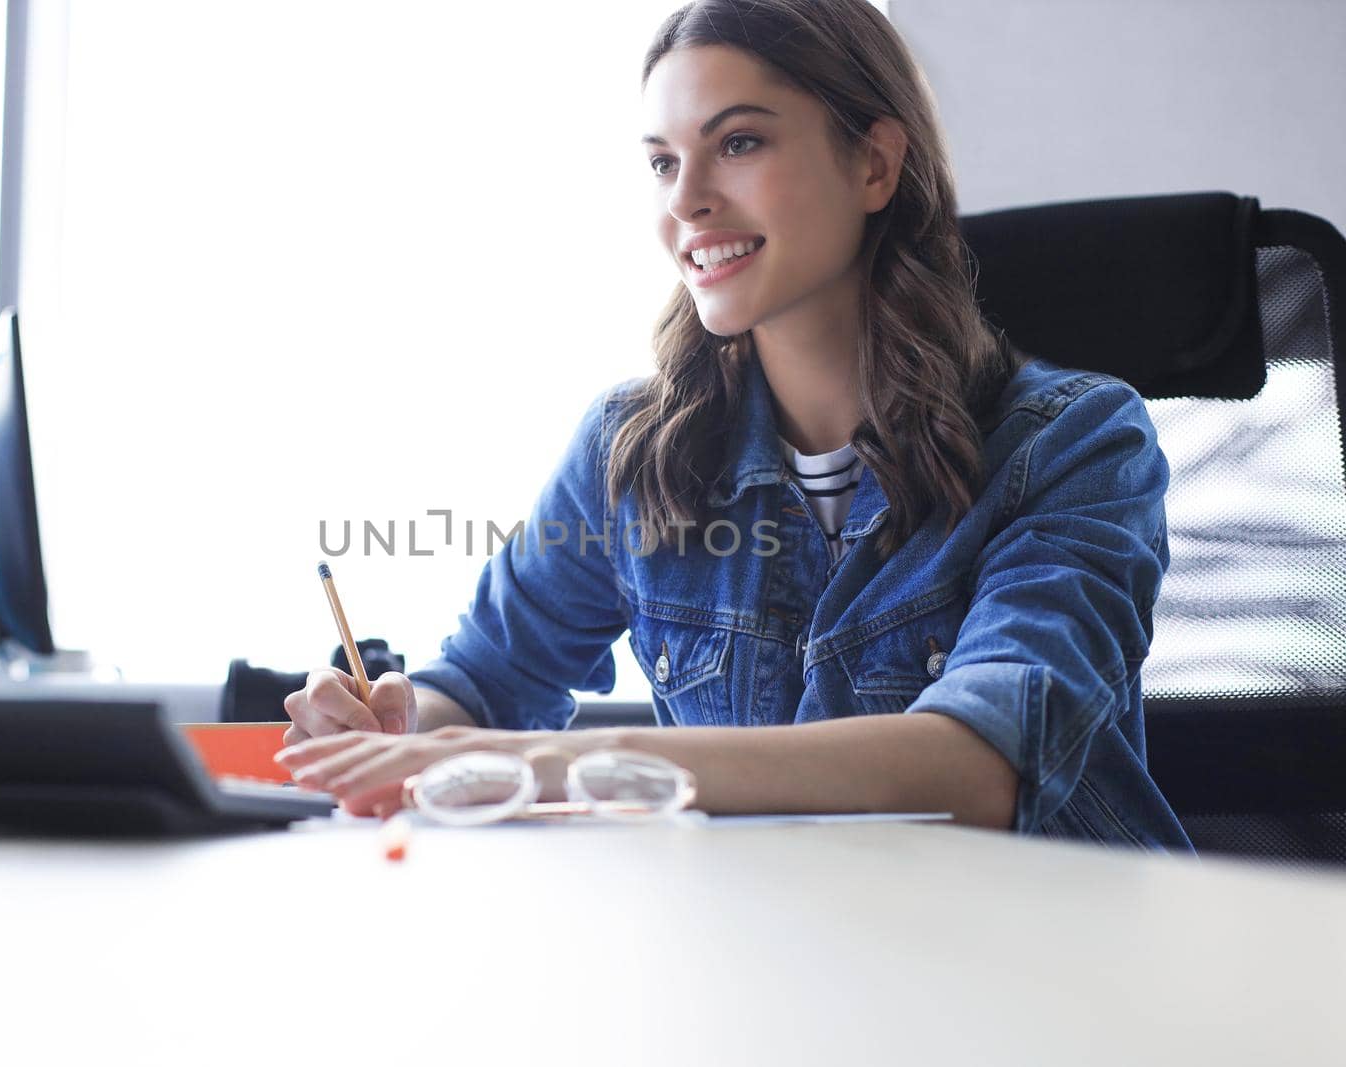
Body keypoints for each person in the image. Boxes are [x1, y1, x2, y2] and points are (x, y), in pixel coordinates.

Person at [278, 0, 1193, 851]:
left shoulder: (1074, 443)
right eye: (664, 163)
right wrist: (398, 725)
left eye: (740, 142)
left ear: (875, 163)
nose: (686, 201)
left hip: (1052, 969)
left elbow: (981, 765)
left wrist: (564, 764)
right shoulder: (631, 452)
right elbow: (481, 684)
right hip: (778, 960)